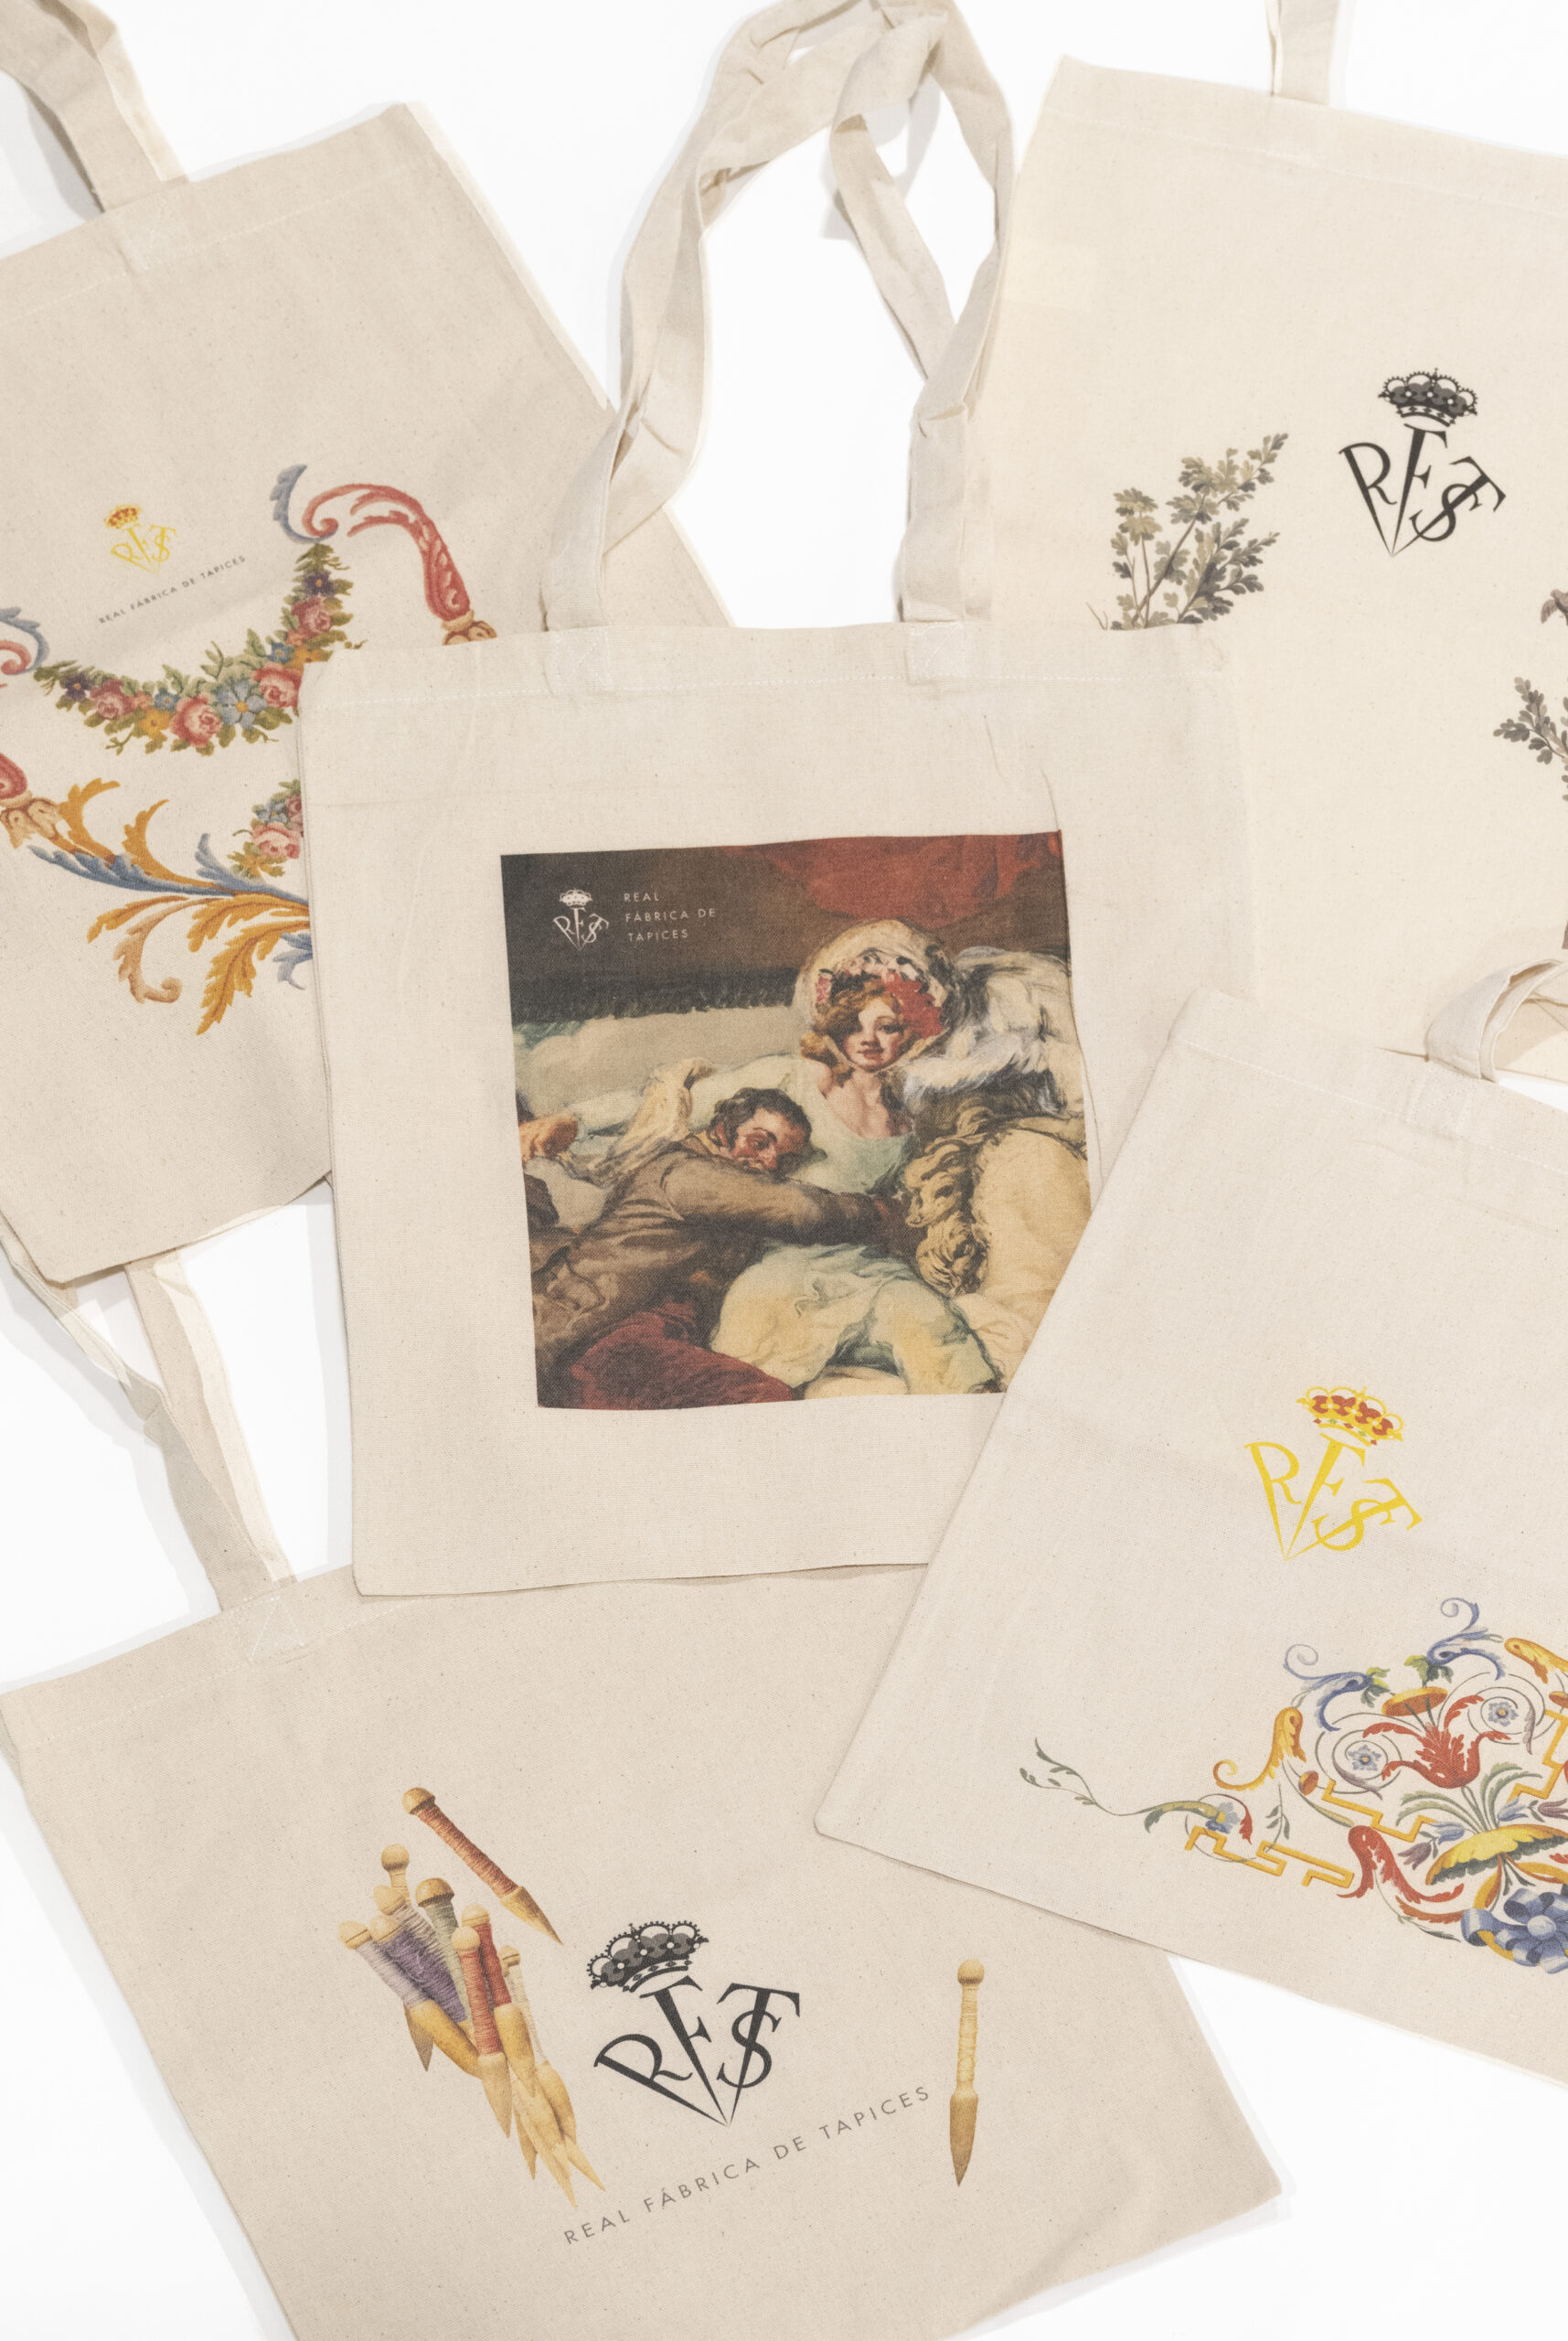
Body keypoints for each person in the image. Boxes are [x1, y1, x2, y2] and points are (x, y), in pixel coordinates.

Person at [518, 922, 1002, 1398]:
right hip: (772, 1263)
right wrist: (576, 1120)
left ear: (913, 1031)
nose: (867, 1039)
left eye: (887, 1026)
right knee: (754, 1365)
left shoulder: (908, 1120)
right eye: (853, 1024)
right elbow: (675, 1102)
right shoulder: (793, 1077)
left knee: (933, 1330)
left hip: (864, 1262)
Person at [528, 1087, 905, 1407]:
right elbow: (801, 1209)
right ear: (723, 1131)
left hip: (640, 1330)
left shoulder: (720, 1183)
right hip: (597, 1334)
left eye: (785, 1159)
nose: (769, 1161)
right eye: (759, 1142)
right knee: (761, 1399)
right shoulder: (688, 1173)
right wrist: (882, 1212)